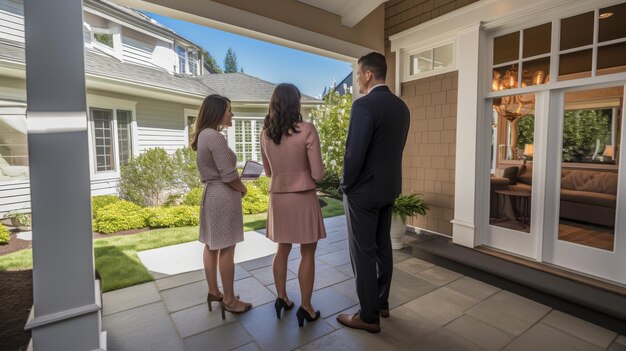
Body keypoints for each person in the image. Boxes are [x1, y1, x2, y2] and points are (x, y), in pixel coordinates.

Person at [336, 52, 410, 333]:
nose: (356, 78)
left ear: (368, 74)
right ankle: (381, 302)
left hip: (363, 192)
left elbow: (354, 154)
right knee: (382, 247)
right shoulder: (402, 107)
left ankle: (368, 316)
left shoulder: (364, 106)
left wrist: (345, 184)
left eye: (358, 73)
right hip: (389, 188)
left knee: (362, 253)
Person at [260, 83, 326, 327]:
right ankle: (306, 307)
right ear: (296, 103)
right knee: (307, 252)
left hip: (278, 197)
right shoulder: (307, 130)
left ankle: (282, 298)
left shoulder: (265, 133)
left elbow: (268, 171)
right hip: (303, 196)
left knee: (282, 249)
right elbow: (318, 173)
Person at [191, 94, 252, 320]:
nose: (232, 114)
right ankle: (230, 300)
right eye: (229, 110)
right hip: (223, 196)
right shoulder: (215, 137)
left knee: (211, 245)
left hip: (211, 195)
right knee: (227, 248)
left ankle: (214, 291)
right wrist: (243, 188)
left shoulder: (203, 135)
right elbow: (228, 175)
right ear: (217, 112)